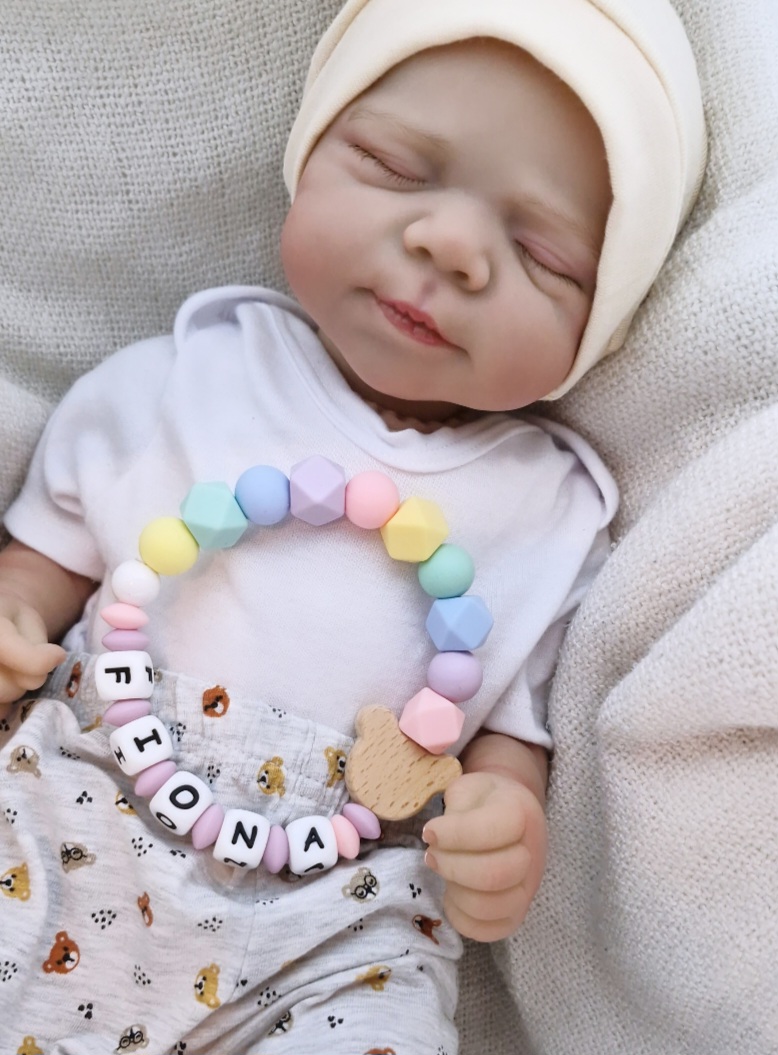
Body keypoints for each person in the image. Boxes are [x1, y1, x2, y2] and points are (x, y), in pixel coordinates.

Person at [0, 0, 706, 1051]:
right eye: (392, 165)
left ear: (602, 323)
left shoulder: (549, 513)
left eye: (542, 253)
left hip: (334, 924)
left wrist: (502, 826)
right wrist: (14, 617)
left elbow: (511, 741)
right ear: (309, 152)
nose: (450, 244)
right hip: (70, 822)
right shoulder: (185, 377)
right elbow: (41, 565)